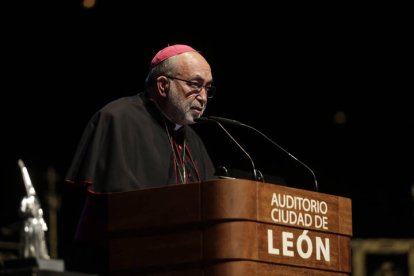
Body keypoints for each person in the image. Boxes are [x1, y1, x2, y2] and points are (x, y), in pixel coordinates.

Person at [64, 44, 217, 274]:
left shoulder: (193, 141)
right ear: (163, 85)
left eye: (208, 88)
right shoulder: (119, 118)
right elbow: (121, 210)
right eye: (195, 85)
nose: (203, 97)